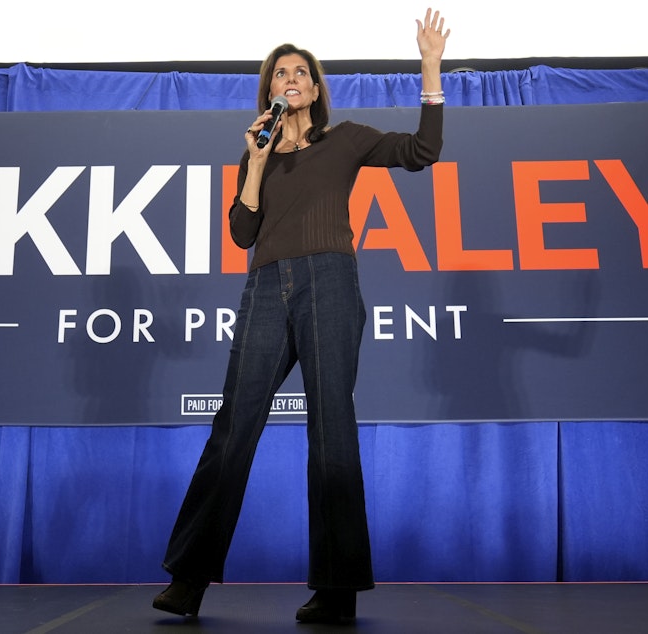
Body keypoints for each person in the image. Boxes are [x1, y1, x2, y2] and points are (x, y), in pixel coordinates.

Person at [153, 7, 451, 625]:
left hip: (328, 283)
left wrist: (429, 67)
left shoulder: (345, 140)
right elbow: (241, 233)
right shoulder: (256, 155)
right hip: (265, 287)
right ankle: (188, 580)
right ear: (269, 92)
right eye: (278, 73)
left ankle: (337, 589)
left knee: (332, 429)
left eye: (299, 72)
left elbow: (424, 150)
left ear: (314, 88)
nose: (288, 78)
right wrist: (256, 163)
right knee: (233, 427)